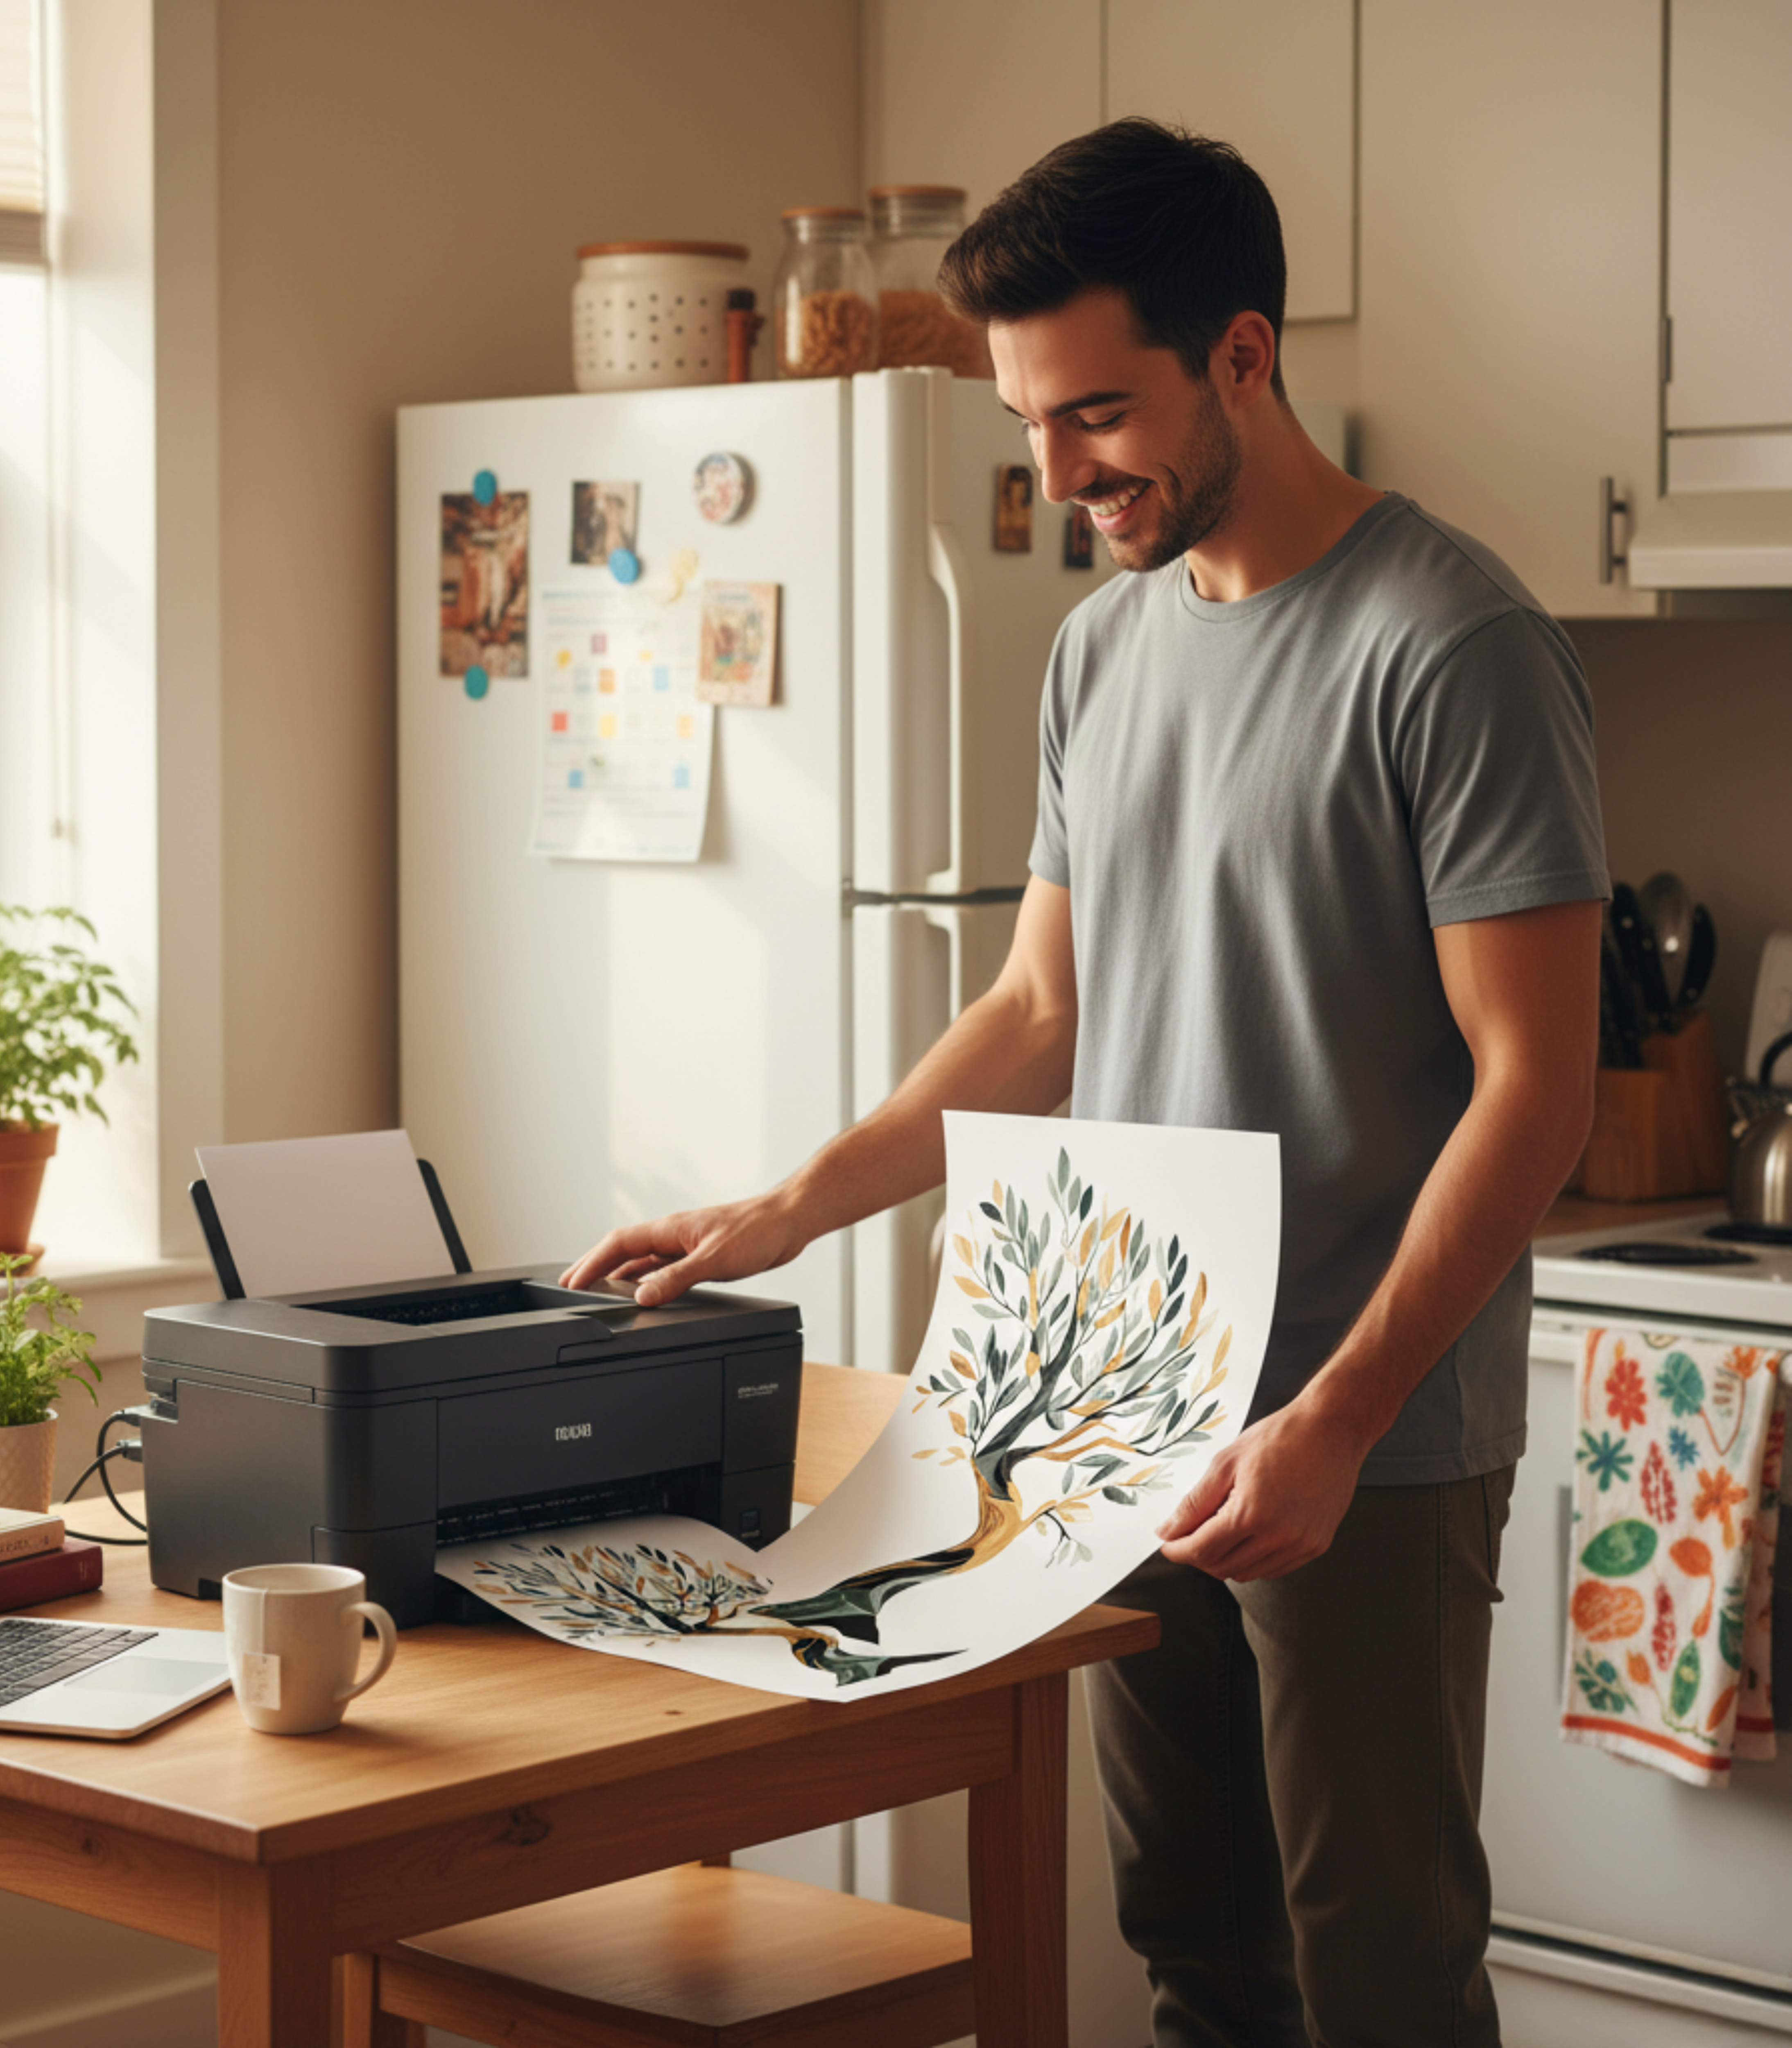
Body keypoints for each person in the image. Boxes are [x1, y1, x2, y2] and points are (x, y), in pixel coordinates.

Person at [564, 118, 1606, 2048]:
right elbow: (1037, 1007)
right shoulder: (1100, 649)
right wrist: (780, 1207)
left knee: (1373, 1964)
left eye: (1095, 416)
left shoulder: (1450, 643)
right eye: (1028, 428)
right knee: (1192, 1943)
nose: (1059, 475)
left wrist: (1335, 1413)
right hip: (1124, 1397)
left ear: (1240, 354)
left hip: (1359, 1425)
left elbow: (1534, 1087)